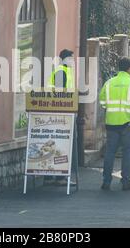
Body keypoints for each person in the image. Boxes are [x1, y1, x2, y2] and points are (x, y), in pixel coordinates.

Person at [99, 57, 130, 191]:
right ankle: (126, 182)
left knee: (110, 153)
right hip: (127, 124)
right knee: (127, 153)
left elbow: (102, 102)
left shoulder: (109, 83)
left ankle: (106, 182)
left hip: (111, 123)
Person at [45, 49, 77, 186]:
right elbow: (59, 94)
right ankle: (58, 177)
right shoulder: (61, 72)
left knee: (56, 144)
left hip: (61, 113)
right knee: (61, 145)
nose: (73, 61)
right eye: (70, 58)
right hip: (60, 115)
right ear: (65, 59)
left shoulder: (65, 71)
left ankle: (51, 176)